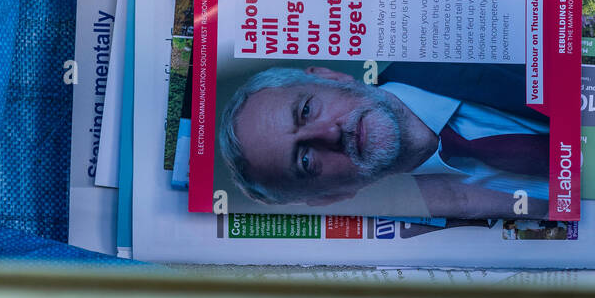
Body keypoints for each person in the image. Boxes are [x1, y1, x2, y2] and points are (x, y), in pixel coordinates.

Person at [217, 61, 552, 219]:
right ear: (332, 197)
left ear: (330, 77)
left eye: (307, 110)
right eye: (305, 161)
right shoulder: (457, 226)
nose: (329, 134)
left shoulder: (454, 40)